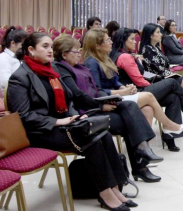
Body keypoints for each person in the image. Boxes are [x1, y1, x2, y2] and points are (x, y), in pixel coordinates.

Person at [7, 32, 134, 211]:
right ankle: (105, 194)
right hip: (38, 131)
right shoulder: (20, 78)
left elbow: (70, 99)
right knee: (92, 140)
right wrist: (57, 122)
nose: (50, 50)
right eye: (45, 46)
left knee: (103, 134)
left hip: (61, 124)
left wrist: (75, 116)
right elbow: (23, 116)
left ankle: (115, 188)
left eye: (51, 46)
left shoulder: (50, 72)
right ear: (30, 50)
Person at [52, 35, 170, 183]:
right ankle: (140, 165)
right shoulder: (62, 68)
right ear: (64, 54)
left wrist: (112, 97)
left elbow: (95, 90)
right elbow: (78, 95)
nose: (79, 54)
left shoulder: (78, 66)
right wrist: (101, 105)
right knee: (129, 120)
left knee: (130, 106)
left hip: (95, 104)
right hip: (85, 112)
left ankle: (143, 151)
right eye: (76, 51)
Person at [82, 29, 183, 153]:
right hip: (109, 100)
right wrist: (121, 92)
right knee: (164, 88)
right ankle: (171, 124)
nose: (111, 42)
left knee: (171, 98)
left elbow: (115, 82)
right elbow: (97, 91)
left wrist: (123, 87)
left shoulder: (105, 58)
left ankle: (147, 149)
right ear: (97, 46)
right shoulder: (92, 62)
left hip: (122, 94)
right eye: (107, 40)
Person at [0, 27, 28, 93]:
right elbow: (5, 82)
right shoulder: (3, 58)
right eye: (23, 45)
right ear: (13, 43)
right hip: (12, 94)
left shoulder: (20, 57)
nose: (25, 48)